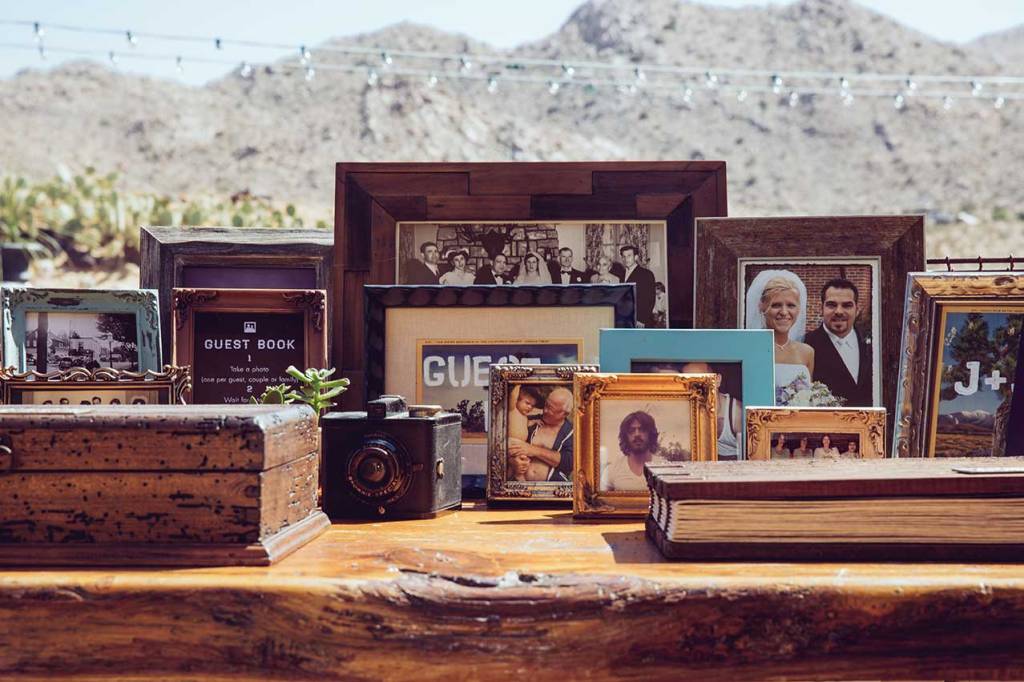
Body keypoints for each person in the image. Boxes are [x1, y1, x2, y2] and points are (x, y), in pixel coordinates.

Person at [746, 270, 815, 404]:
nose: (784, 312)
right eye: (776, 305)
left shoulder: (807, 352)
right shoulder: (750, 349)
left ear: (798, 309)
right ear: (761, 306)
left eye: (791, 305)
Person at [804, 278, 873, 407]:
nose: (839, 311)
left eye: (847, 305)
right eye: (832, 305)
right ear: (821, 308)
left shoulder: (874, 344)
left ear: (857, 310)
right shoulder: (806, 344)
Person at [508, 387, 573, 482]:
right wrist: (512, 461)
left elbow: (569, 462)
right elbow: (505, 442)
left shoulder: (570, 432)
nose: (545, 410)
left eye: (550, 409)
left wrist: (533, 450)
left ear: (564, 414)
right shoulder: (531, 420)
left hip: (552, 488)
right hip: (520, 485)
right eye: (546, 405)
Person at [680, 361, 741, 460]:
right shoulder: (686, 410)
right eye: (688, 383)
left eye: (701, 381)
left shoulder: (737, 414)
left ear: (717, 380)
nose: (694, 388)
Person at [601, 411, 667, 491]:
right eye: (631, 430)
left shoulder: (665, 468)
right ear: (625, 436)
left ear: (650, 434)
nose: (637, 434)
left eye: (642, 429)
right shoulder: (612, 470)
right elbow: (602, 498)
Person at [507, 385, 540, 480]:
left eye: (532, 405)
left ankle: (512, 480)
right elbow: (513, 396)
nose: (530, 407)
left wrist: (534, 422)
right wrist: (518, 384)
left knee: (519, 467)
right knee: (521, 465)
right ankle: (518, 480)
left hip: (520, 444)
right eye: (527, 403)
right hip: (512, 442)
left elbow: (525, 424)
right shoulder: (513, 410)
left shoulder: (525, 417)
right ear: (517, 400)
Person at [620, 245, 656, 328]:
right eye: (624, 256)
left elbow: (650, 299)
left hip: (640, 321)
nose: (626, 259)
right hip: (625, 319)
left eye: (629, 256)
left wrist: (642, 319)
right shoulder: (621, 274)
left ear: (636, 257)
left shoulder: (646, 274)